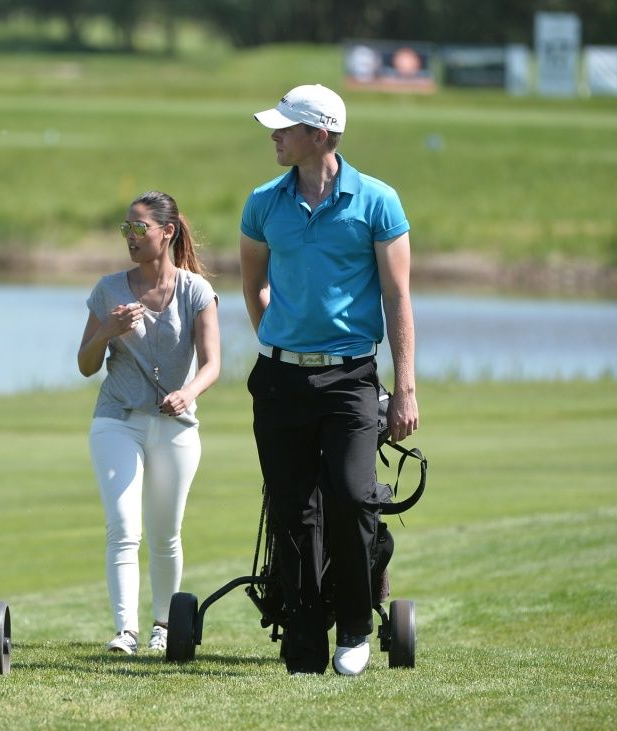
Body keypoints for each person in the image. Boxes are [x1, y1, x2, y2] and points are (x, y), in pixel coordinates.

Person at [239, 84, 419, 676]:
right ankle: (303, 643)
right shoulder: (263, 203)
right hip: (280, 380)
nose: (274, 135)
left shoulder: (377, 201)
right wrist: (282, 344)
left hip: (351, 380)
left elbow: (397, 298)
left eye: (285, 127)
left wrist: (405, 389)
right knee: (292, 510)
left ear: (319, 135)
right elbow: (254, 284)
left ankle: (355, 627)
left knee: (352, 497)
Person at [78, 191, 221, 654]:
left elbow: (212, 364)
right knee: (123, 528)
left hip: (176, 427)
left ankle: (164, 626)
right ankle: (126, 631)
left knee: (165, 534)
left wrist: (188, 393)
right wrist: (108, 331)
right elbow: (85, 365)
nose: (130, 237)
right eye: (126, 228)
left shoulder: (196, 291)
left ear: (167, 232)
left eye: (139, 228)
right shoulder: (108, 290)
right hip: (117, 420)